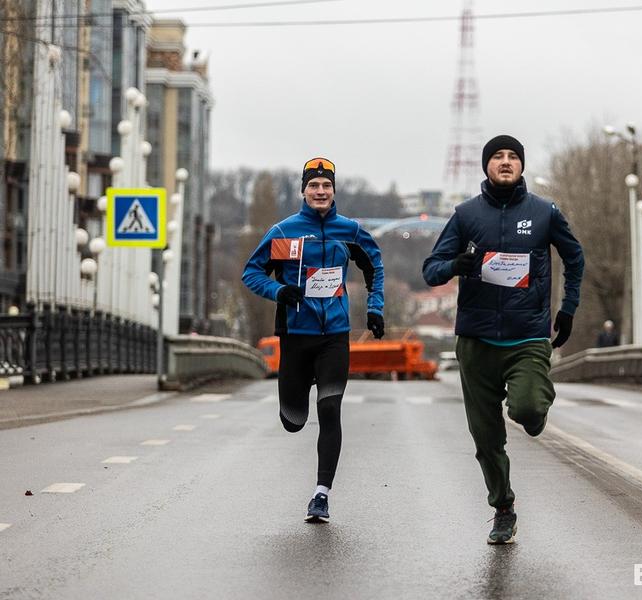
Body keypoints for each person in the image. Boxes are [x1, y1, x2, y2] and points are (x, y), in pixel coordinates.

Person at [422, 135, 584, 545]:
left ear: (522, 166)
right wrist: (455, 265)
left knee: (527, 408)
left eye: (513, 156)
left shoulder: (544, 212)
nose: (506, 162)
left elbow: (575, 256)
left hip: (526, 334)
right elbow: (431, 270)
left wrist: (567, 308)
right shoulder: (465, 215)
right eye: (498, 156)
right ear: (486, 166)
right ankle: (503, 507)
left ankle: (534, 411)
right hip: (476, 340)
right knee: (485, 437)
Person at [242, 157, 385, 523]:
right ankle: (294, 399)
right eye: (313, 186)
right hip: (296, 335)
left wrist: (375, 308)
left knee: (330, 409)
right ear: (304, 191)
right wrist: (278, 290)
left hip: (334, 335)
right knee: (293, 419)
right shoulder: (283, 232)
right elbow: (252, 272)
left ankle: (321, 494)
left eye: (326, 186)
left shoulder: (349, 231)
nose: (320, 191)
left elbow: (375, 266)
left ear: (334, 190)